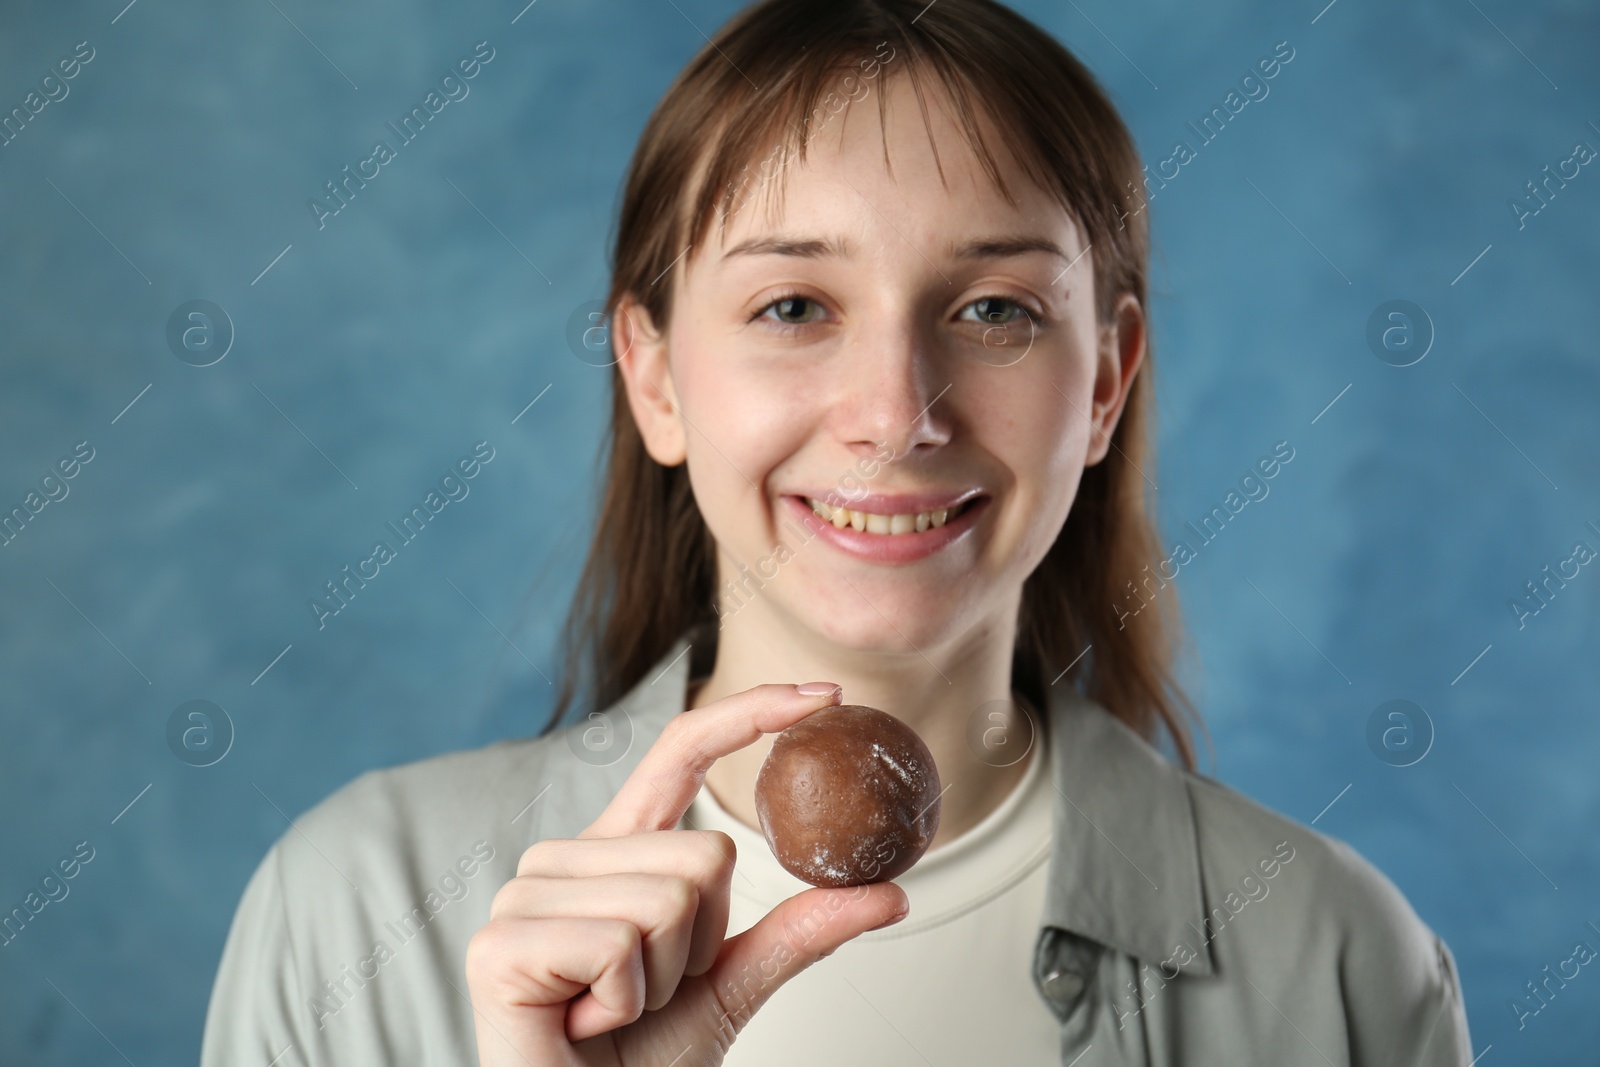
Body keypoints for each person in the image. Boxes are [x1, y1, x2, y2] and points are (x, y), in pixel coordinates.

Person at [201, 1, 1474, 1063]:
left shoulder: (1339, 960)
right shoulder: (355, 911)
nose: (892, 414)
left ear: (1103, 382)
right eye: (795, 301)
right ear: (653, 378)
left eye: (991, 309)